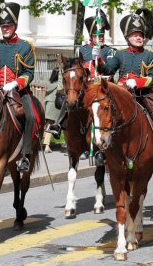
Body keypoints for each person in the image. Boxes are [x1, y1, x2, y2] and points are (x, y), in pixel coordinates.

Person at [92, 8, 153, 163]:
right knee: (103, 115)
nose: (139, 37)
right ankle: (102, 151)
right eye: (135, 35)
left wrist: (138, 82)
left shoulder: (150, 55)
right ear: (127, 37)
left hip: (143, 95)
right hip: (121, 93)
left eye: (141, 35)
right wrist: (99, 59)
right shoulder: (120, 54)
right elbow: (108, 70)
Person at [48, 10, 115, 162]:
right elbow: (77, 70)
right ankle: (59, 124)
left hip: (102, 87)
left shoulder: (110, 51)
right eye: (97, 36)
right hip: (87, 87)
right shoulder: (83, 50)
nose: (100, 38)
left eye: (102, 36)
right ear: (91, 37)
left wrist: (101, 63)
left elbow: (111, 69)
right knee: (71, 99)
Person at [0, 0, 37, 172]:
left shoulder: (25, 46)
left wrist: (14, 84)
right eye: (2, 26)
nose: (5, 29)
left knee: (30, 116)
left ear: (14, 26)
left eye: (7, 26)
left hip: (18, 91)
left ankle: (26, 155)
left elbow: (29, 73)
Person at [43, 68, 62, 154]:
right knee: (57, 124)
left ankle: (46, 145)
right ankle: (47, 146)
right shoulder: (59, 84)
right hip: (55, 105)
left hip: (48, 104)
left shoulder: (49, 83)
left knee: (48, 125)